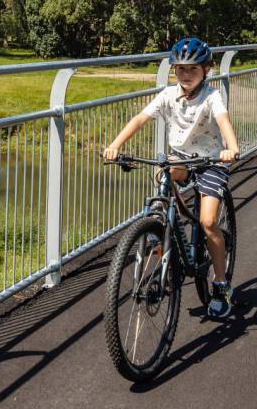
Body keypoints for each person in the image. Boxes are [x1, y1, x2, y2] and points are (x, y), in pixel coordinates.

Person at [103, 37, 242, 319]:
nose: (186, 75)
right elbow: (139, 119)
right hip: (182, 157)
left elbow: (224, 122)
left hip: (211, 161)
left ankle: (220, 283)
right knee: (163, 170)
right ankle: (163, 224)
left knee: (207, 221)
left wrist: (232, 148)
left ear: (206, 70)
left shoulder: (212, 96)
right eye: (180, 69)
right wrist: (115, 145)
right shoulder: (167, 95)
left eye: (193, 70)